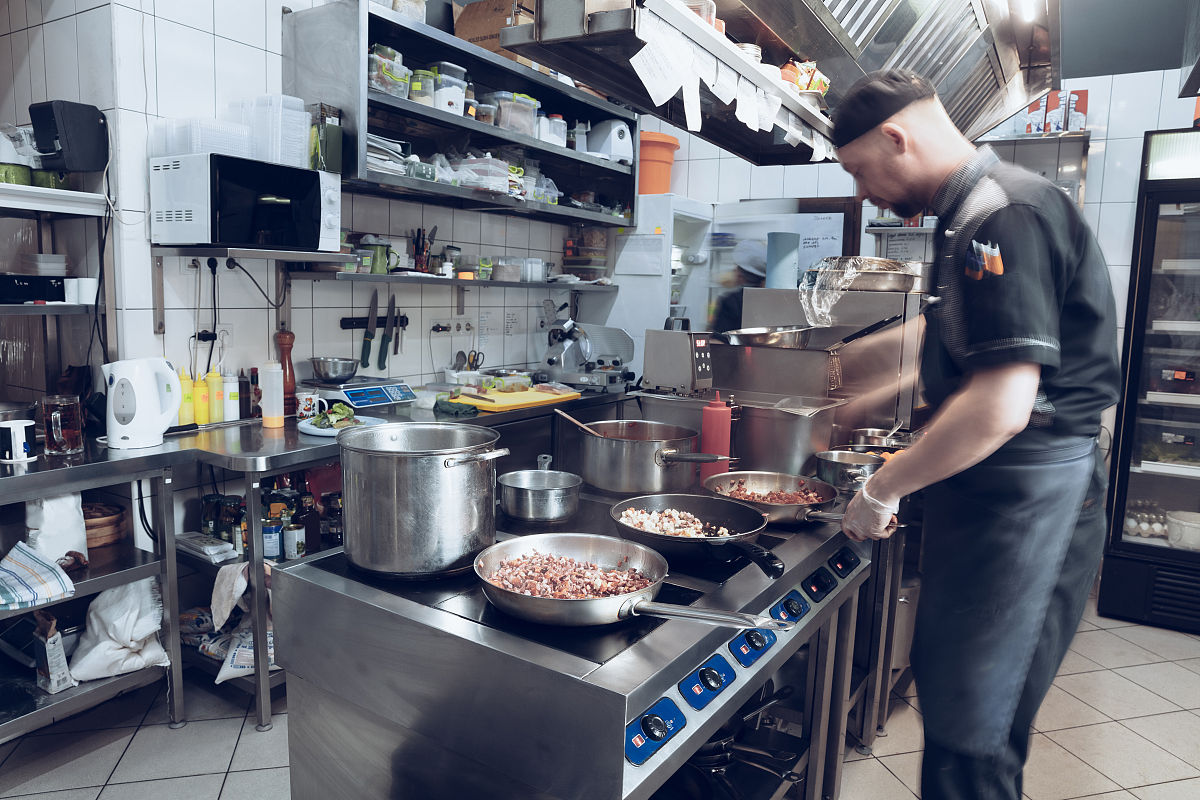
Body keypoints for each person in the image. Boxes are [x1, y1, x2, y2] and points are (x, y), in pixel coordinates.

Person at [831, 69, 1120, 800]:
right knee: (956, 698)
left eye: (861, 172)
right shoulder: (970, 213)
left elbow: (1001, 404)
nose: (864, 194)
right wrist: (848, 374)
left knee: (974, 735)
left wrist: (880, 487)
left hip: (1032, 497)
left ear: (896, 137)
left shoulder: (1002, 214)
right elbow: (961, 327)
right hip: (996, 494)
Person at [709, 239, 766, 333]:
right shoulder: (770, 297)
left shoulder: (732, 301)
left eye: (736, 267)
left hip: (735, 347)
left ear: (741, 274)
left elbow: (720, 339)